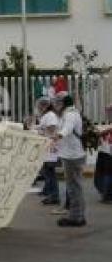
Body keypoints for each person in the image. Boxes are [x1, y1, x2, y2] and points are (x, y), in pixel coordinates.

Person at [54, 94, 87, 227]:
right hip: (71, 154)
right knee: (74, 186)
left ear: (63, 103)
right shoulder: (70, 113)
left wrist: (58, 136)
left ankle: (76, 218)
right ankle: (78, 216)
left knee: (74, 187)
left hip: (72, 156)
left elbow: (67, 129)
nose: (55, 106)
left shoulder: (70, 114)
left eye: (57, 103)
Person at [34, 98, 61, 206]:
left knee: (50, 172)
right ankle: (49, 193)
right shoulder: (46, 115)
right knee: (46, 171)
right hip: (47, 146)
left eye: (39, 106)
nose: (38, 108)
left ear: (44, 106)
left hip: (51, 146)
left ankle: (54, 196)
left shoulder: (50, 115)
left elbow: (52, 128)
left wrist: (41, 131)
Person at [95, 128, 112, 203]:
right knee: (102, 173)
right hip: (103, 149)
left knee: (107, 173)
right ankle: (105, 194)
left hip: (108, 150)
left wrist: (105, 131)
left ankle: (106, 195)